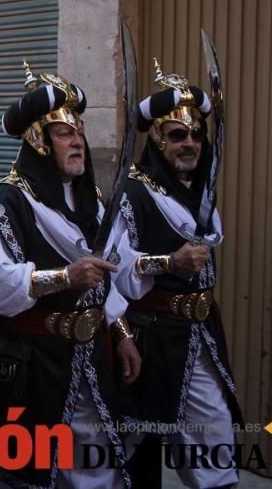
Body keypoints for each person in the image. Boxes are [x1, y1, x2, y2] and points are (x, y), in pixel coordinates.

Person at [0, 63, 139, 488]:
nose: (77, 138)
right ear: (39, 140)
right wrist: (64, 276)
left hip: (91, 360)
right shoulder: (9, 201)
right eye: (64, 132)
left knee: (97, 469)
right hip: (34, 367)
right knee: (36, 473)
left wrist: (122, 331)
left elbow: (107, 274)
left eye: (79, 128)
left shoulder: (92, 202)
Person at [115, 60, 241, 489]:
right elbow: (115, 267)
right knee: (142, 446)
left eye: (195, 134)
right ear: (157, 138)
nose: (189, 143)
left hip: (202, 330)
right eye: (177, 134)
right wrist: (168, 263)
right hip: (154, 337)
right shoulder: (133, 192)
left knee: (215, 436)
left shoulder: (199, 191)